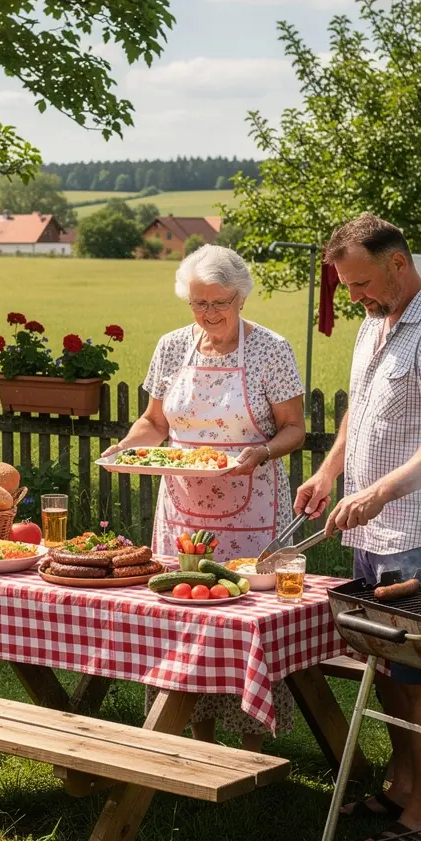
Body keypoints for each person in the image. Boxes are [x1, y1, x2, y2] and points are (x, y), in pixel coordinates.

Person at [296, 213, 421, 841]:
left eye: (360, 283)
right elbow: (361, 407)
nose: (352, 296)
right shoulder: (377, 325)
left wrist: (378, 491)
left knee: (420, 674)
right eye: (347, 286)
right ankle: (401, 784)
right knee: (387, 665)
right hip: (380, 531)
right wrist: (331, 472)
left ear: (398, 264)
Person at [104, 244, 306, 750]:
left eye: (219, 303)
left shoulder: (271, 349)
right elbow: (155, 423)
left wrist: (259, 453)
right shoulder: (173, 347)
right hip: (182, 509)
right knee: (182, 615)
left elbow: (294, 430)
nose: (209, 314)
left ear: (241, 297)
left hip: (252, 504)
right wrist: (127, 450)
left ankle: (253, 748)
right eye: (199, 304)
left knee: (242, 619)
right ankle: (193, 740)